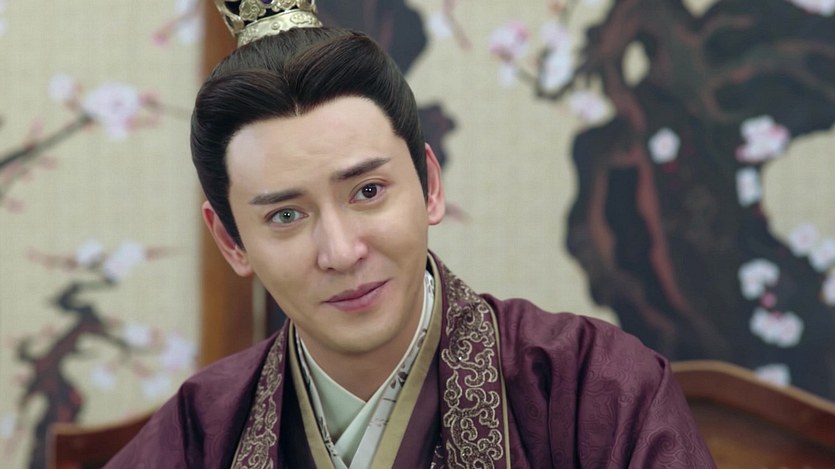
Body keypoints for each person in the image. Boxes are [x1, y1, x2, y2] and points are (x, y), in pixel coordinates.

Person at [106, 2, 715, 467]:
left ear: (430, 186)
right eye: (285, 216)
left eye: (368, 191)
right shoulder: (198, 434)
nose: (342, 252)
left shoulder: (596, 391)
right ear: (232, 242)